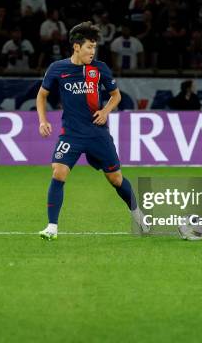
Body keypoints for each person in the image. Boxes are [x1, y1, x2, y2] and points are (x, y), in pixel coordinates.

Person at [35, 21, 149, 240]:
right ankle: (52, 227)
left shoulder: (99, 69)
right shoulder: (58, 68)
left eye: (95, 47)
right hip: (71, 134)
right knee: (58, 172)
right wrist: (42, 121)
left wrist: (106, 111)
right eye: (89, 47)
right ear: (76, 47)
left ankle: (138, 216)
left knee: (116, 179)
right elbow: (42, 95)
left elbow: (116, 95)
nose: (92, 52)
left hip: (97, 133)